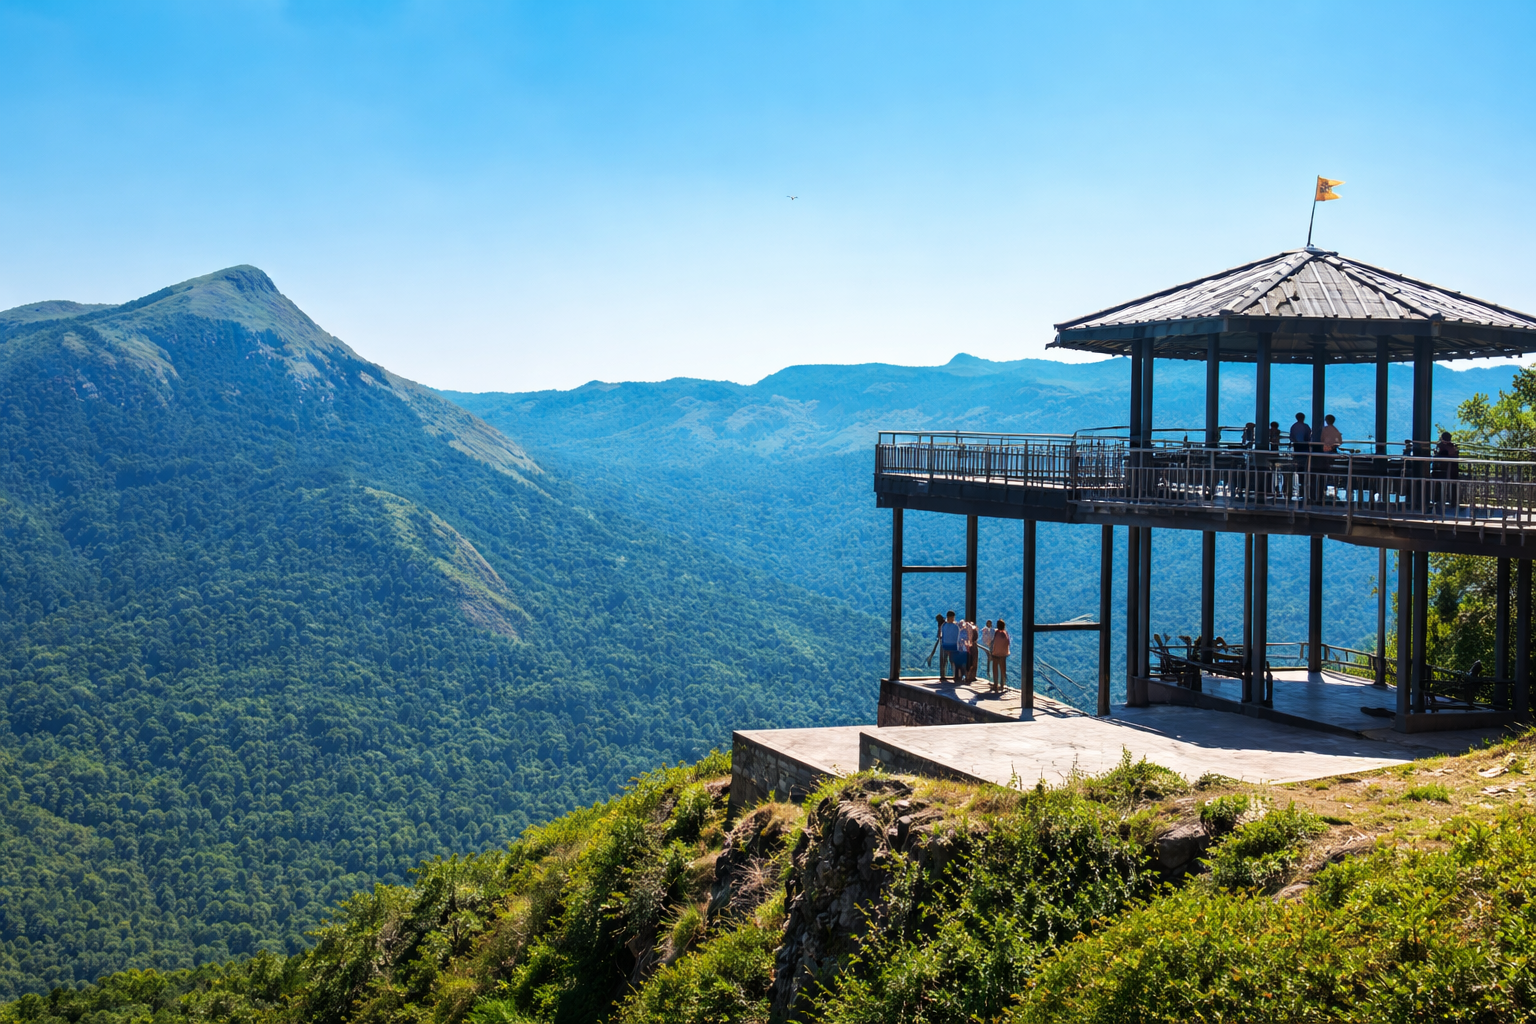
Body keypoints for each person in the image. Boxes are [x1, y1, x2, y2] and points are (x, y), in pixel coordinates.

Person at [939, 611, 960, 683]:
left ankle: (944, 676)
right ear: (951, 617)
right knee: (951, 661)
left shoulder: (944, 626)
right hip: (952, 645)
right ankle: (954, 676)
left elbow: (942, 635)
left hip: (946, 645)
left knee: (947, 661)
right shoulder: (955, 627)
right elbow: (957, 637)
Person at [990, 618, 1010, 691]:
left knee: (995, 669)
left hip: (995, 653)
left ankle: (995, 685)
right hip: (1003, 654)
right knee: (1003, 670)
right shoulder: (1005, 634)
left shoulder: (996, 633)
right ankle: (1002, 685)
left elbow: (992, 642)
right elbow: (1008, 643)